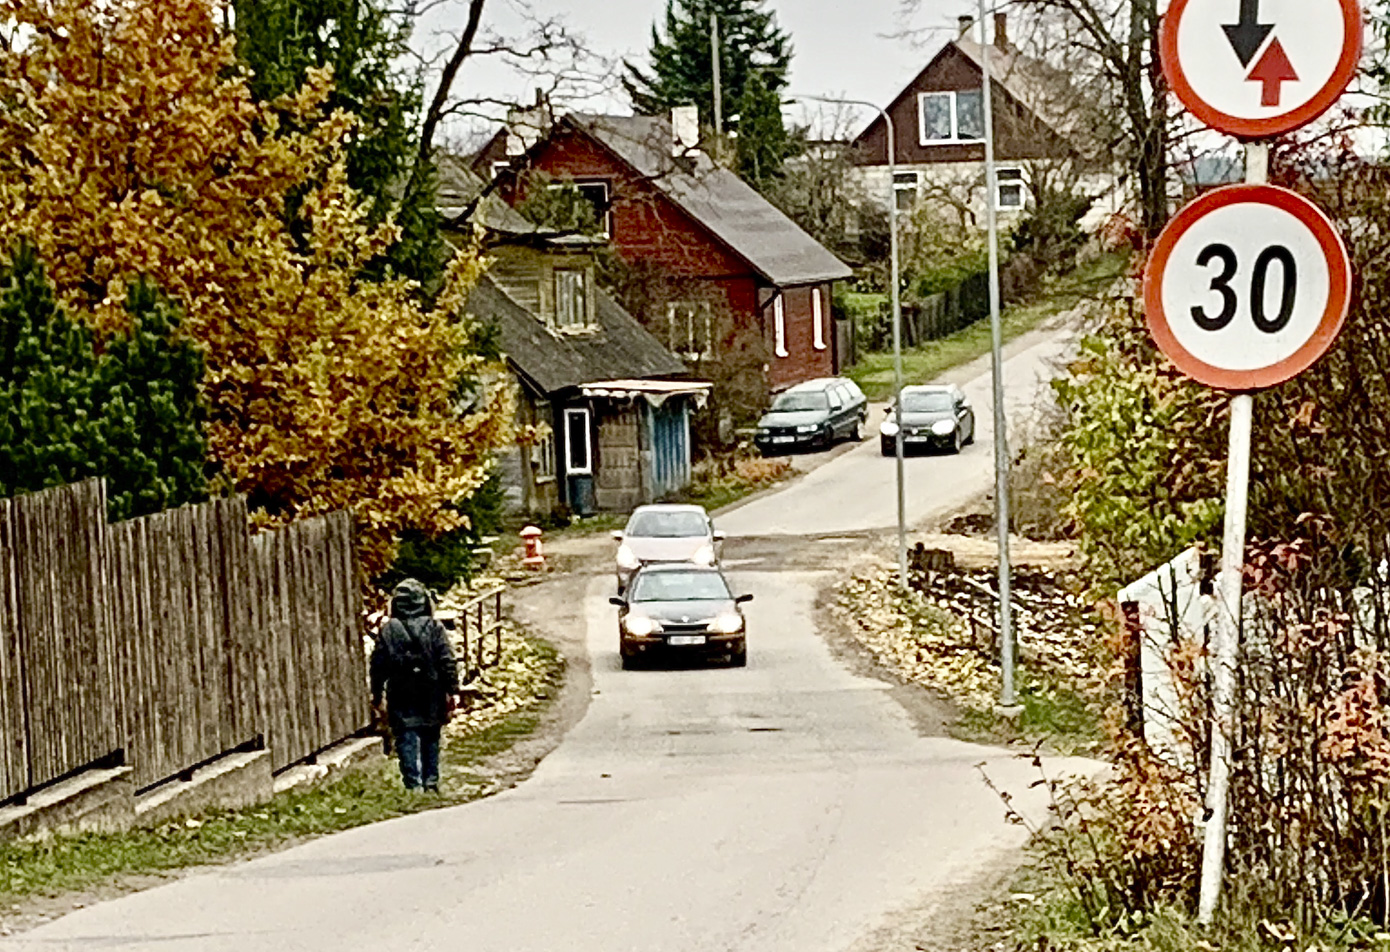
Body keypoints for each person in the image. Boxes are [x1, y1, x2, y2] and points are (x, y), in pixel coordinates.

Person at [370, 579, 459, 792]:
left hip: (400, 689)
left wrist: (376, 693)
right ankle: (431, 781)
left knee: (405, 735)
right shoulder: (434, 627)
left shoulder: (389, 629)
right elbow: (446, 660)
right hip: (432, 688)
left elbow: (378, 665)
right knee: (431, 735)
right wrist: (453, 689)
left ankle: (413, 783)